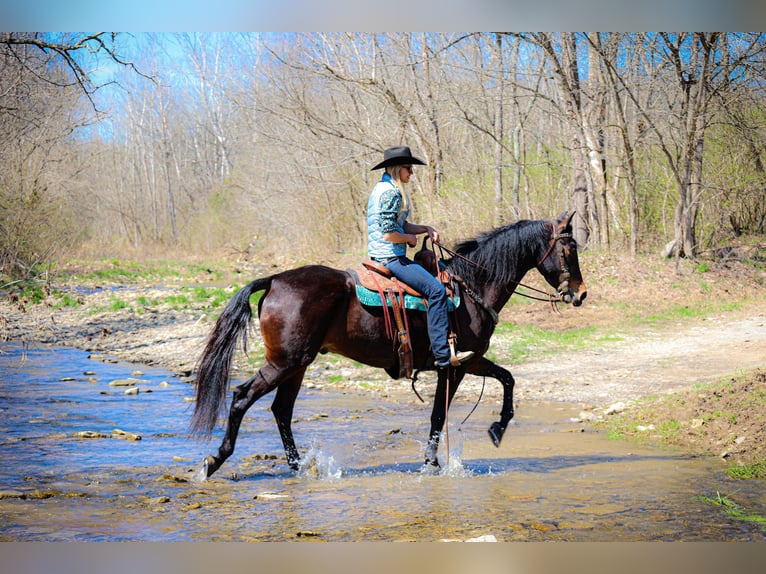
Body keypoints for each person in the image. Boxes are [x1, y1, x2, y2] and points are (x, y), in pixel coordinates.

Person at [367, 146, 474, 369]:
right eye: (408, 168)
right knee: (436, 291)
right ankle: (443, 354)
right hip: (390, 258)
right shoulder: (391, 193)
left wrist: (424, 228)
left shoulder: (382, 188)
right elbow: (389, 234)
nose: (411, 173)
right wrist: (408, 239)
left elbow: (400, 224)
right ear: (398, 169)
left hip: (383, 254)